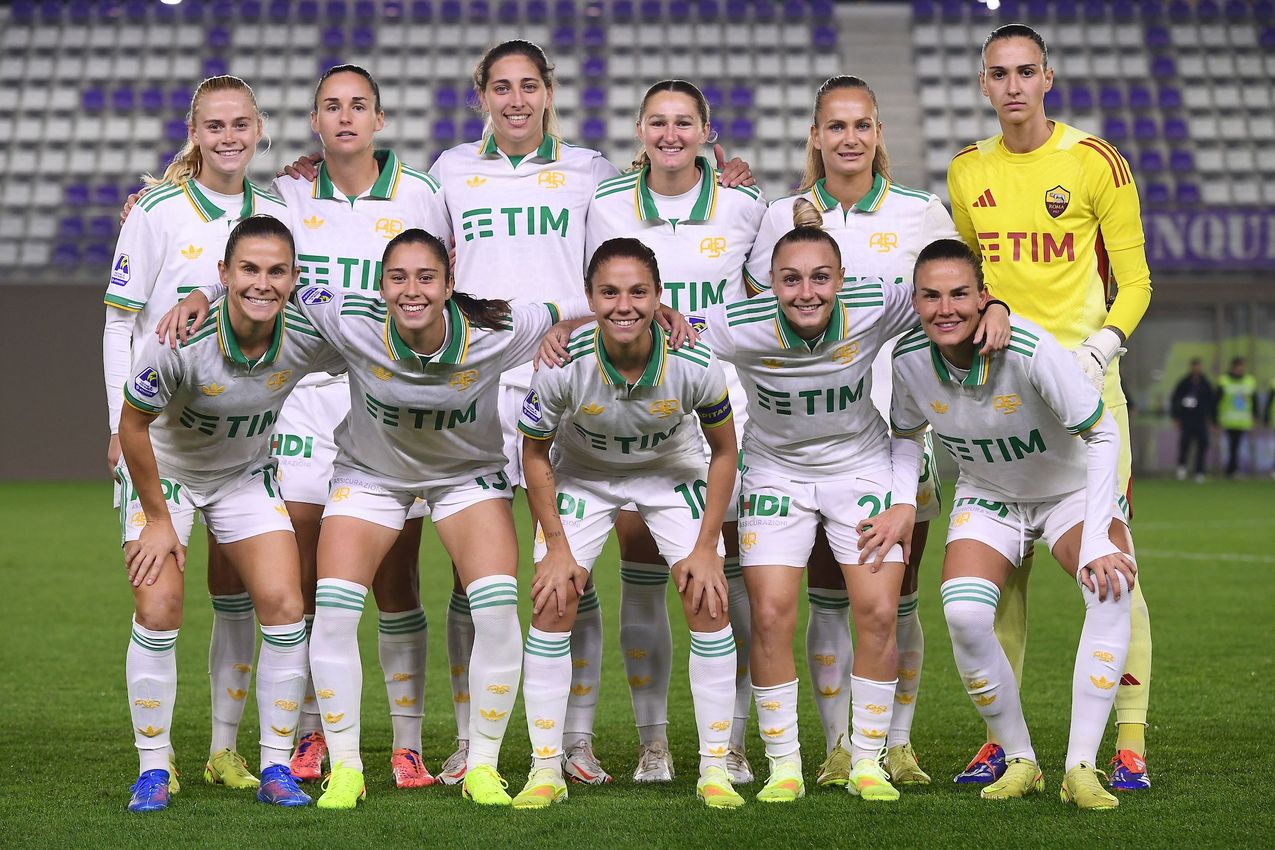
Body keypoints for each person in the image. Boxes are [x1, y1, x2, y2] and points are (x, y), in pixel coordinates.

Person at [148, 64, 454, 789]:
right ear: (313, 122)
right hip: (298, 403)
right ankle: (313, 736)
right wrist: (179, 250)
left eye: (357, 106)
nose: (344, 118)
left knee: (398, 575)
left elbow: (442, 281)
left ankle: (406, 744)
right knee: (306, 578)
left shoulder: (421, 193)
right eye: (329, 107)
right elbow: (224, 239)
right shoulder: (282, 193)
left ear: (379, 117)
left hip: (383, 400)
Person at [743, 75, 1001, 787]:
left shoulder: (921, 212)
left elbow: (959, 293)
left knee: (894, 595)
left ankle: (896, 743)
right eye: (835, 126)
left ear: (878, 133)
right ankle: (835, 746)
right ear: (815, 138)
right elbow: (751, 316)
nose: (849, 138)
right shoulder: (778, 218)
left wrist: (999, 302)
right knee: (827, 591)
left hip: (899, 434)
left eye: (861, 125)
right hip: (810, 440)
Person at [946, 22, 1156, 790]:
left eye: (1024, 71)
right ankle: (1006, 746)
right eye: (997, 73)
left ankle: (1126, 743)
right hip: (1002, 395)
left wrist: (1098, 349)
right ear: (982, 83)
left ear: (1047, 78)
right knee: (1004, 576)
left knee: (1112, 564)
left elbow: (1134, 281)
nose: (1011, 86)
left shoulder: (1095, 161)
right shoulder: (967, 170)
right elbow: (972, 278)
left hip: (1086, 394)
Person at [699, 216, 961, 804]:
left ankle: (867, 760)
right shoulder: (735, 321)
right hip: (774, 472)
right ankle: (785, 765)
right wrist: (571, 331)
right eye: (790, 280)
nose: (807, 291)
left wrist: (996, 310)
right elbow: (649, 327)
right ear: (768, 283)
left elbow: (945, 299)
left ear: (843, 280)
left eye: (820, 277)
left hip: (860, 467)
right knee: (769, 617)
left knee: (877, 613)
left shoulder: (875, 303)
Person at [889, 239, 1137, 811]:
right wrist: (903, 500)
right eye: (931, 296)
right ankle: (1021, 758)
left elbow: (1102, 435)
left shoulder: (1027, 347)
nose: (945, 308)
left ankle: (1081, 767)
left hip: (1068, 492)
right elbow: (906, 437)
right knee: (964, 611)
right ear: (916, 301)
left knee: (1112, 585)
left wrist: (1098, 535)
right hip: (992, 495)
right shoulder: (907, 361)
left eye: (959, 294)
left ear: (983, 298)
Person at [117, 216, 345, 811]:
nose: (262, 283)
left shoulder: (308, 328)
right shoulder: (178, 338)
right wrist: (159, 519)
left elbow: (377, 322)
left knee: (285, 604)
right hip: (165, 479)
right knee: (159, 606)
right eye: (247, 270)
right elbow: (132, 428)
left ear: (295, 279)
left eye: (276, 271)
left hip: (244, 478)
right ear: (223, 274)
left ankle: (274, 764)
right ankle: (153, 768)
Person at [104, 74, 288, 794]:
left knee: (253, 598)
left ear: (259, 128)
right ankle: (156, 766)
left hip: (243, 449)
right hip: (162, 444)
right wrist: (114, 424)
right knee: (158, 602)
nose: (229, 137)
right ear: (195, 131)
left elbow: (287, 297)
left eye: (241, 124)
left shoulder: (277, 209)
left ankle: (226, 750)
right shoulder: (155, 210)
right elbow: (120, 320)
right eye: (215, 126)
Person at [578, 79, 766, 785]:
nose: (669, 134)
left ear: (706, 132)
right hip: (635, 404)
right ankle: (653, 743)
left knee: (726, 569)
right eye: (656, 122)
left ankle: (734, 740)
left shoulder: (746, 204)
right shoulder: (604, 204)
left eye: (683, 122)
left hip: (722, 406)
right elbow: (591, 293)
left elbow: (764, 301)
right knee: (643, 565)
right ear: (639, 130)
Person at [513, 238, 742, 809]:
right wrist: (558, 549)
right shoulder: (562, 363)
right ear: (589, 298)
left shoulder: (694, 361)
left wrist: (709, 545)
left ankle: (714, 770)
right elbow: (534, 453)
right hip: (584, 474)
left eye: (639, 292)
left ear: (658, 297)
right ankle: (545, 770)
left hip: (669, 472)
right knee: (552, 598)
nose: (624, 305)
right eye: (609, 292)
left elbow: (724, 452)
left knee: (708, 598)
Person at [1170, 358, 1213, 482]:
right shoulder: (1184, 382)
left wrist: (1212, 419)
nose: (1197, 369)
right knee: (1185, 445)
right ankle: (1182, 468)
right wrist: (1176, 417)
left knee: (1202, 445)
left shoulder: (1205, 383)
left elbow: (1211, 402)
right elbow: (1175, 400)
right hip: (1187, 420)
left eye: (1198, 366)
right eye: (1195, 366)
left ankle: (1199, 471)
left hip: (1200, 420)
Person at [1217, 357, 1257, 478]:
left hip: (1243, 421)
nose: (1240, 370)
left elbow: (1254, 400)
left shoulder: (1249, 380)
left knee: (1236, 446)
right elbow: (1216, 400)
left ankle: (1232, 470)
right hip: (1229, 421)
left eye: (1241, 368)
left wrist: (1255, 416)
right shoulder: (1224, 381)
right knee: (1232, 446)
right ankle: (1231, 470)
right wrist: (1215, 418)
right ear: (1233, 368)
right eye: (1238, 368)